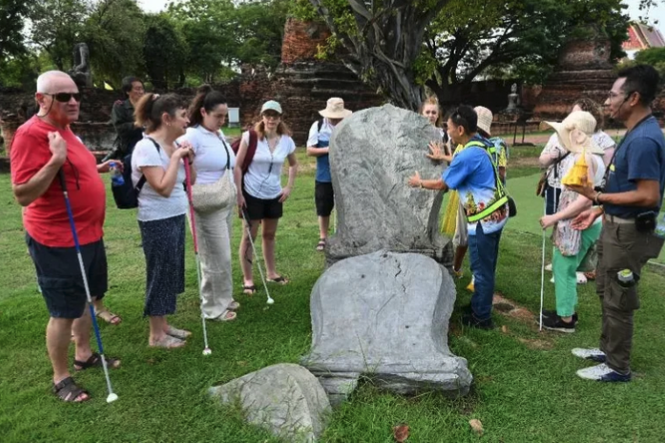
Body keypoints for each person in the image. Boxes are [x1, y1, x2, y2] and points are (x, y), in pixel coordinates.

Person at [10, 70, 121, 402]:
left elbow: (75, 168)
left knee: (86, 297)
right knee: (62, 310)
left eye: (75, 95)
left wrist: (96, 168)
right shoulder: (30, 134)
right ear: (41, 100)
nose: (73, 101)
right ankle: (61, 377)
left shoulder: (65, 129)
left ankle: (83, 354)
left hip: (88, 233)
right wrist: (56, 160)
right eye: (63, 97)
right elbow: (23, 194)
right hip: (56, 239)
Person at [568, 65, 665, 382]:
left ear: (633, 98)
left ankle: (617, 366)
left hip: (629, 234)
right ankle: (607, 350)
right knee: (605, 288)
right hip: (613, 226)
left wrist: (596, 198)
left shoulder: (644, 140)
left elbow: (648, 195)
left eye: (613, 95)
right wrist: (597, 211)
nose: (607, 101)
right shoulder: (634, 133)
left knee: (619, 297)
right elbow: (622, 186)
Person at [408, 105, 509, 329]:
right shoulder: (480, 144)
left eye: (450, 127)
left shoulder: (468, 153)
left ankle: (481, 318)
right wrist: (443, 155)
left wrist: (419, 182)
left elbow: (442, 185)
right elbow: (464, 163)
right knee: (487, 266)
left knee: (481, 270)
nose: (448, 131)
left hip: (485, 219)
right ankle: (479, 305)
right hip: (498, 212)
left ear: (461, 129)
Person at [132, 93, 196, 348]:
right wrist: (176, 159)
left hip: (175, 215)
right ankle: (155, 334)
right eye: (183, 115)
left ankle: (165, 325)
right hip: (156, 219)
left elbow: (186, 180)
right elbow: (162, 187)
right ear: (166, 118)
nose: (188, 121)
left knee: (171, 271)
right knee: (159, 273)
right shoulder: (146, 147)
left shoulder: (176, 143)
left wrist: (186, 158)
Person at [539, 111, 606, 333]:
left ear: (577, 134)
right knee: (563, 265)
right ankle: (565, 310)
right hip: (574, 218)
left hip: (576, 220)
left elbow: (586, 199)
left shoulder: (585, 158)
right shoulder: (585, 155)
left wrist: (554, 218)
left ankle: (565, 319)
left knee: (564, 267)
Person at [178, 86, 238, 322]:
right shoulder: (192, 135)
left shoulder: (218, 134)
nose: (222, 120)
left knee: (223, 253)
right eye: (218, 116)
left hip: (222, 199)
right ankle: (212, 306)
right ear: (203, 112)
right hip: (205, 202)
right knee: (214, 256)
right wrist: (185, 153)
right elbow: (175, 149)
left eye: (224, 116)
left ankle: (224, 296)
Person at [235, 100, 298, 295]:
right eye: (268, 115)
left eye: (275, 115)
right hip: (251, 192)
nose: (271, 119)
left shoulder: (287, 140)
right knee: (249, 236)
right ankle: (248, 279)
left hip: (274, 193)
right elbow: (237, 166)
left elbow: (294, 164)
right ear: (262, 117)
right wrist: (239, 193)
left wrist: (288, 187)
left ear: (280, 118)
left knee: (269, 235)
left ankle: (271, 273)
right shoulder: (250, 137)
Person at [306, 97, 352, 251]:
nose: (335, 120)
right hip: (324, 173)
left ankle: (344, 234)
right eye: (333, 117)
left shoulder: (348, 125)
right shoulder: (318, 126)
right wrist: (328, 149)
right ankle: (323, 237)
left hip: (344, 173)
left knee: (345, 205)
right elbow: (310, 150)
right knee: (323, 206)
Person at [111, 76, 145, 158]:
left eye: (142, 89)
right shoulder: (120, 106)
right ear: (127, 91)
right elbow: (119, 128)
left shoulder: (148, 105)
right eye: (137, 89)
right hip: (130, 144)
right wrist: (137, 124)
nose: (141, 92)